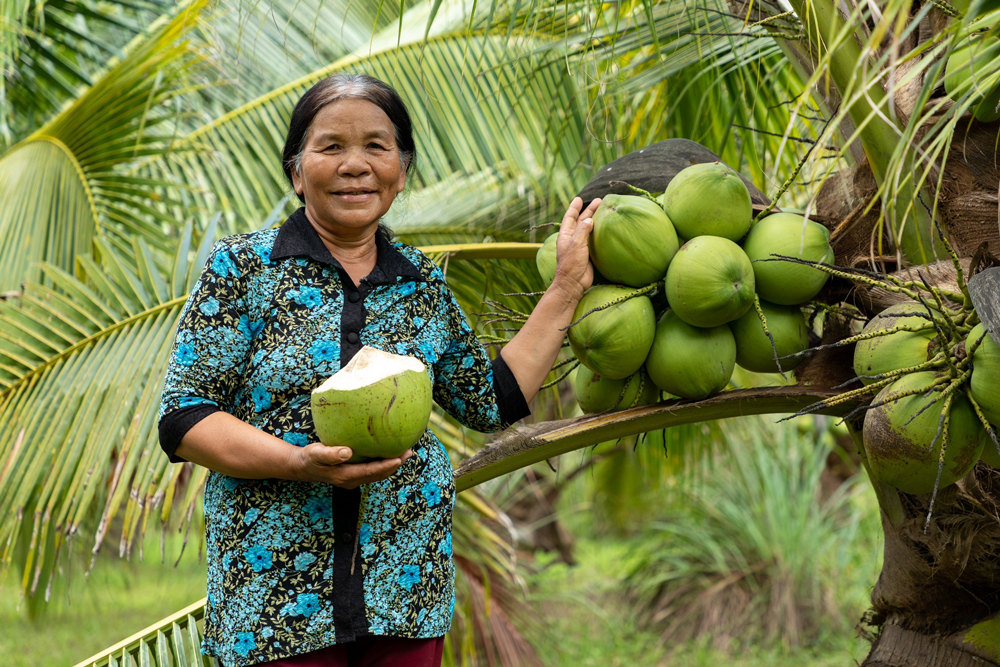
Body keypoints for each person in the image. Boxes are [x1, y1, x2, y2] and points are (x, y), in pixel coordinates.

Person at [158, 72, 600, 667]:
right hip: (272, 604)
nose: (355, 165)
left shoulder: (422, 283)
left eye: (376, 146)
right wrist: (297, 463)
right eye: (331, 147)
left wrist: (568, 286)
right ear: (297, 171)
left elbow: (491, 401)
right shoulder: (243, 269)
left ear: (402, 169)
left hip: (404, 590)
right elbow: (184, 418)